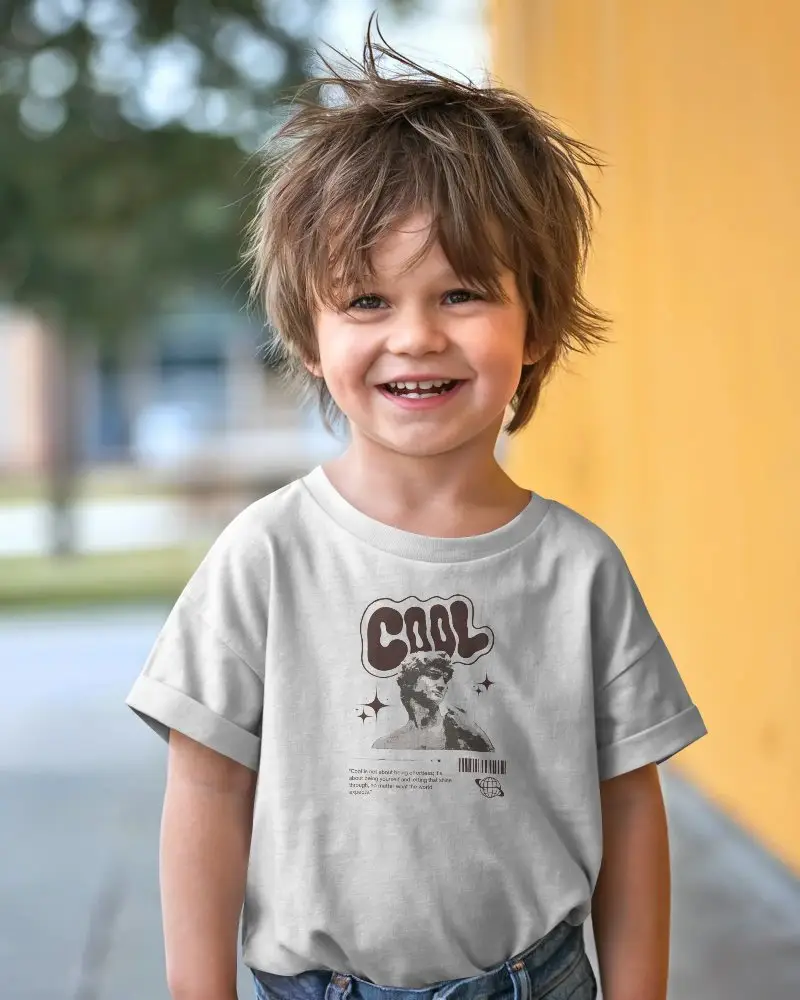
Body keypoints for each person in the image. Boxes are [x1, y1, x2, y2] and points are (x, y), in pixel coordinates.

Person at [125, 19, 708, 1000]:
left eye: (462, 293)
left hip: (537, 979)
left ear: (537, 326)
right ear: (307, 334)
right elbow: (207, 790)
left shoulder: (578, 569)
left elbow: (629, 806)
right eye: (364, 301)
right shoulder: (264, 555)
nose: (415, 336)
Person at [371, 650, 495, 751]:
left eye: (445, 679)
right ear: (411, 680)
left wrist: (476, 735)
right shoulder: (384, 745)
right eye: (433, 675)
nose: (442, 685)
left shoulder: (464, 733)